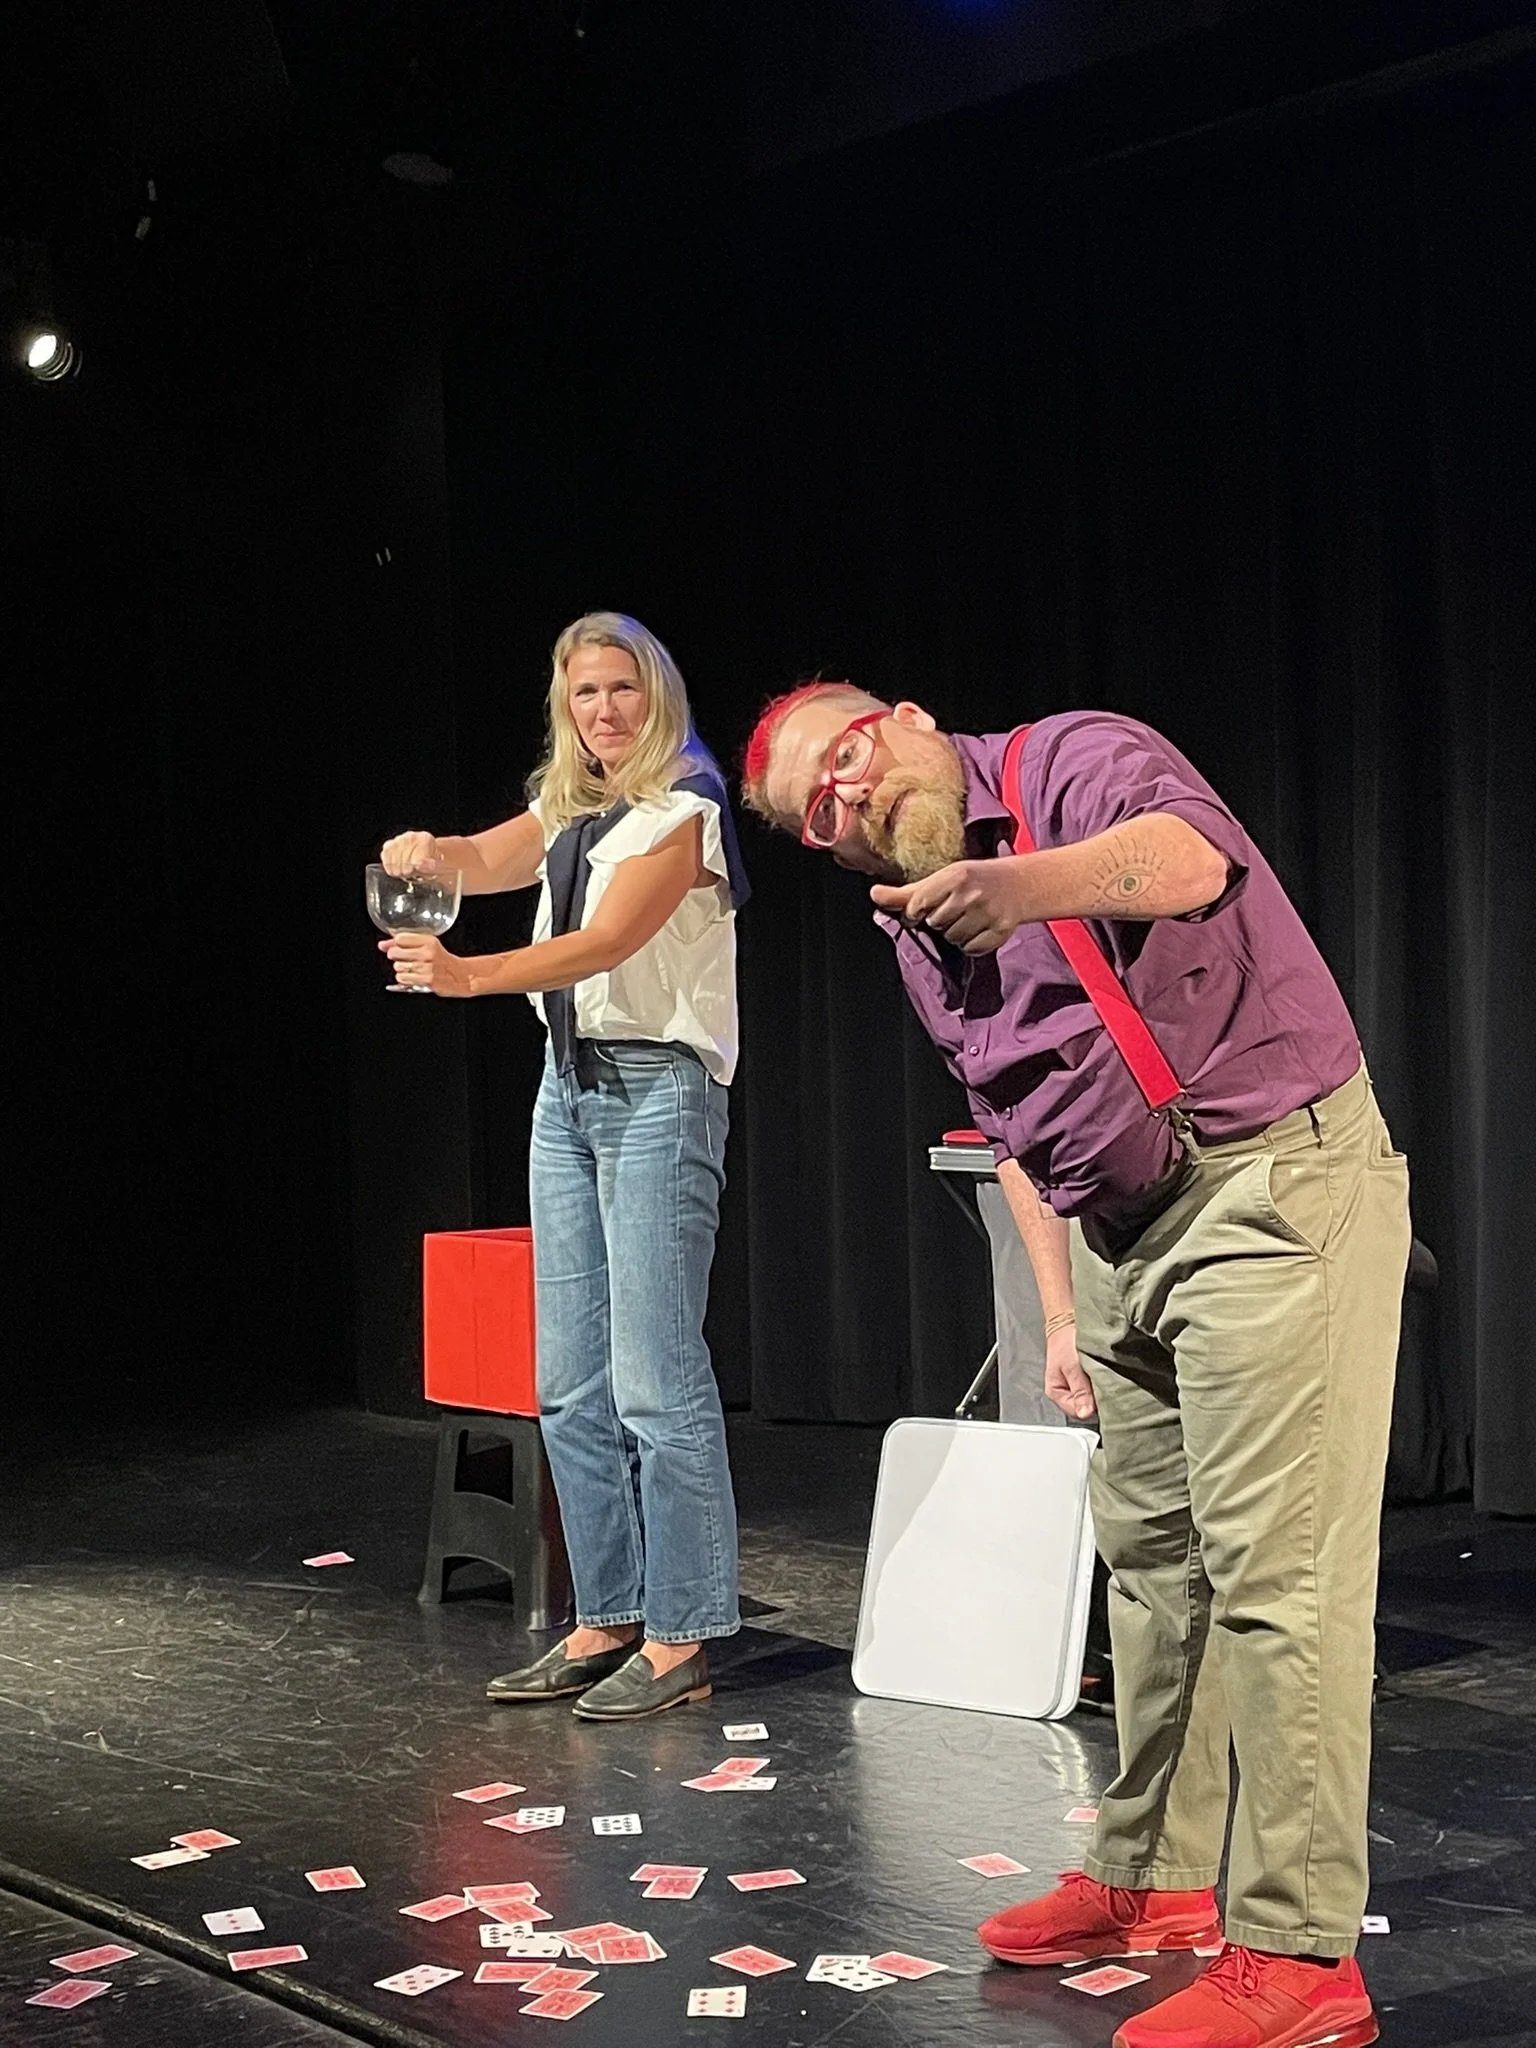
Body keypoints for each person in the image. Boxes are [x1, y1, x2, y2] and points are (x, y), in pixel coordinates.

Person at [742, 683, 1408, 2048]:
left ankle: (1302, 1958)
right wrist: (1058, 1312)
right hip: (1116, 1234)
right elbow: (1012, 1127)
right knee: (1152, 1564)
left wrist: (1021, 886)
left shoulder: (1074, 761)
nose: (848, 794)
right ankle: (1154, 1873)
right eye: (817, 810)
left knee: (1277, 1580)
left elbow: (1192, 859)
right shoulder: (917, 931)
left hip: (1267, 1188)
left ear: (908, 719)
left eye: (850, 755)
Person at [381, 612, 748, 1721]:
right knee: (568, 1383)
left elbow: (605, 942)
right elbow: (489, 857)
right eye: (585, 693)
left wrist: (465, 975)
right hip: (568, 1084)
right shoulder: (572, 805)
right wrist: (427, 852)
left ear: (657, 695)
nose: (603, 710)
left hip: (657, 1090)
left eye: (621, 689)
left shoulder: (684, 810)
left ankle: (682, 1634)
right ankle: (609, 1616)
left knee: (655, 1379)